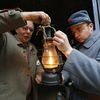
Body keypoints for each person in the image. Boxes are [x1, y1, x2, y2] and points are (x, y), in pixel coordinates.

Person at [0, 8, 51, 100]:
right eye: (24, 28)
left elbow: (37, 64)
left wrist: (39, 72)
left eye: (31, 30)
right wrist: (29, 15)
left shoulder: (32, 48)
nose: (28, 32)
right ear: (16, 29)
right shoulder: (5, 39)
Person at [53, 10, 100, 100]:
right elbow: (71, 69)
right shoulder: (78, 47)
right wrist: (62, 77)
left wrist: (68, 50)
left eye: (79, 29)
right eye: (73, 32)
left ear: (91, 26)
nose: (76, 35)